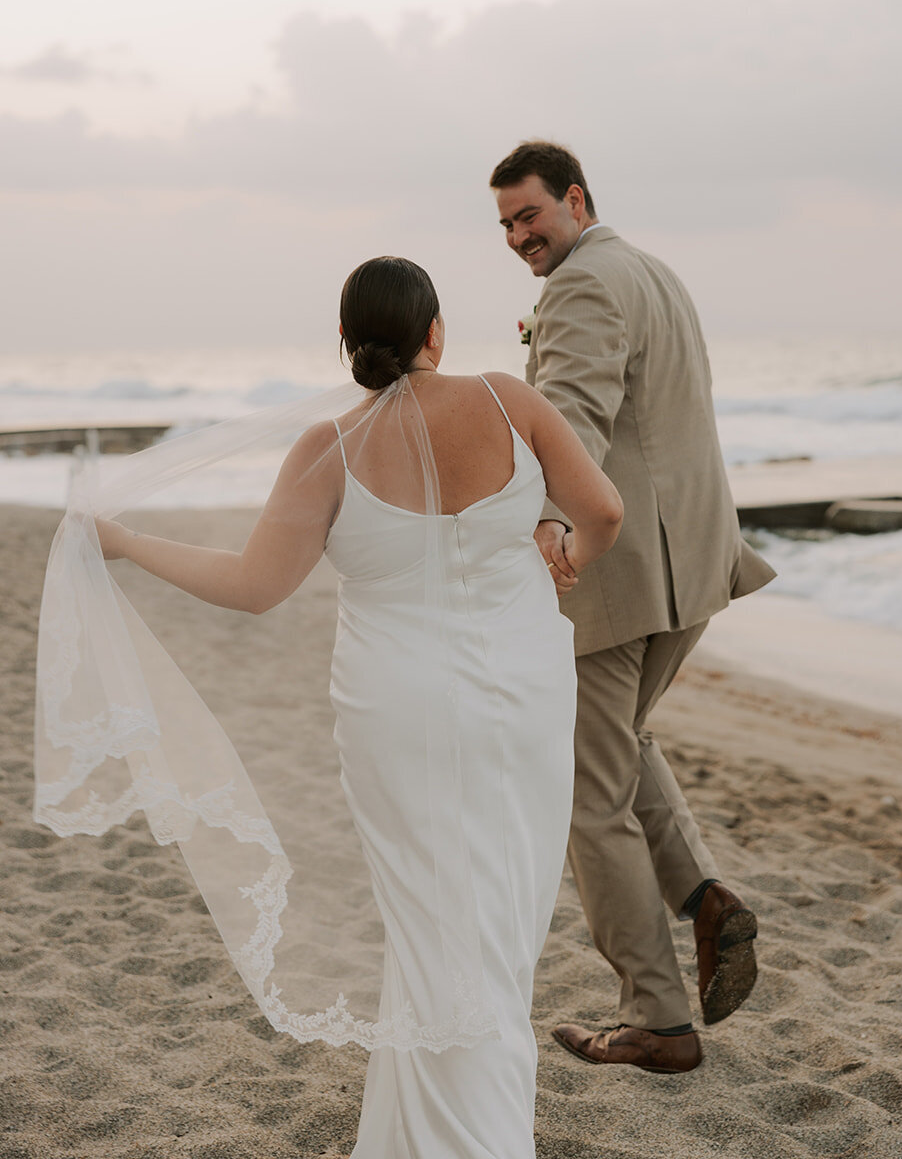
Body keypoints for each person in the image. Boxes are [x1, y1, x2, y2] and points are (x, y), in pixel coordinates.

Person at [66, 257, 624, 1159]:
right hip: (521, 697)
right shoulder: (511, 403)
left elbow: (253, 587)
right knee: (500, 924)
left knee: (429, 923)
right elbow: (603, 511)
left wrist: (127, 542)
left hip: (394, 710)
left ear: (345, 344)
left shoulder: (326, 449)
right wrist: (560, 544)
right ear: (436, 333)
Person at [490, 141, 776, 1076]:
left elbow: (570, 415)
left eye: (530, 215)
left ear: (575, 198)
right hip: (694, 559)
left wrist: (542, 522)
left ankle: (656, 1016)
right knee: (621, 740)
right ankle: (705, 900)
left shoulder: (580, 285)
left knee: (589, 792)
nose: (518, 236)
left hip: (619, 577)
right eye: (505, 225)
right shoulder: (652, 271)